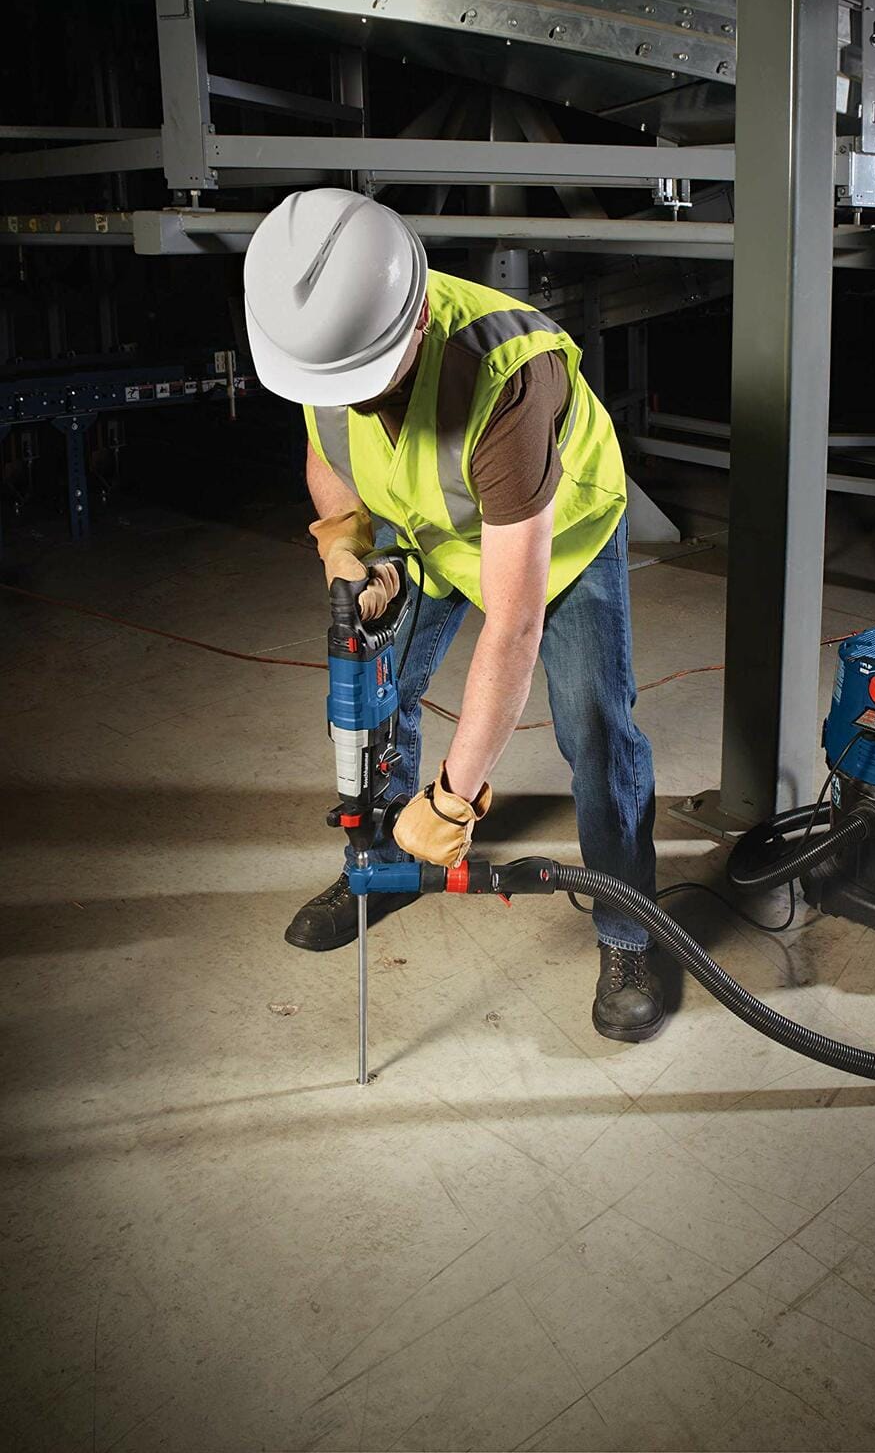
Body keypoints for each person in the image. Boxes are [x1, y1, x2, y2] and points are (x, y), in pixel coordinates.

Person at [243, 188, 663, 1040]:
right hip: (430, 526)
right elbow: (328, 449)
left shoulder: (509, 374)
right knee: (381, 685)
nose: (350, 397)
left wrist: (454, 798)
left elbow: (511, 626)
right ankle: (384, 866)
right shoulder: (323, 338)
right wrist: (343, 537)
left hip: (559, 538)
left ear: (418, 314)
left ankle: (629, 930)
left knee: (593, 727)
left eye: (367, 378)